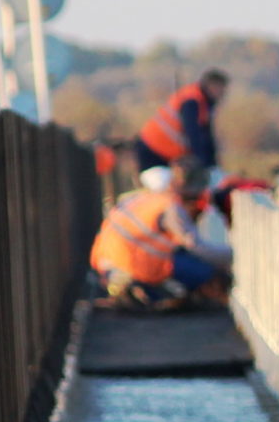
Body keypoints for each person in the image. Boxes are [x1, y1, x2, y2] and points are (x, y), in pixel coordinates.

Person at [90, 163, 230, 307]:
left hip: (108, 265)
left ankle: (140, 291)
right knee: (205, 271)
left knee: (181, 258)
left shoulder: (145, 198)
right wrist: (234, 256)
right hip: (135, 263)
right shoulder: (171, 207)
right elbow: (195, 246)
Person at [134, 69, 229, 176]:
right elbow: (194, 135)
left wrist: (211, 165)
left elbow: (206, 139)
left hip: (169, 156)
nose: (222, 94)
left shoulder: (203, 104)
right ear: (212, 86)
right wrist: (203, 165)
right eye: (221, 89)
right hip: (152, 152)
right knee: (165, 185)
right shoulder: (191, 101)